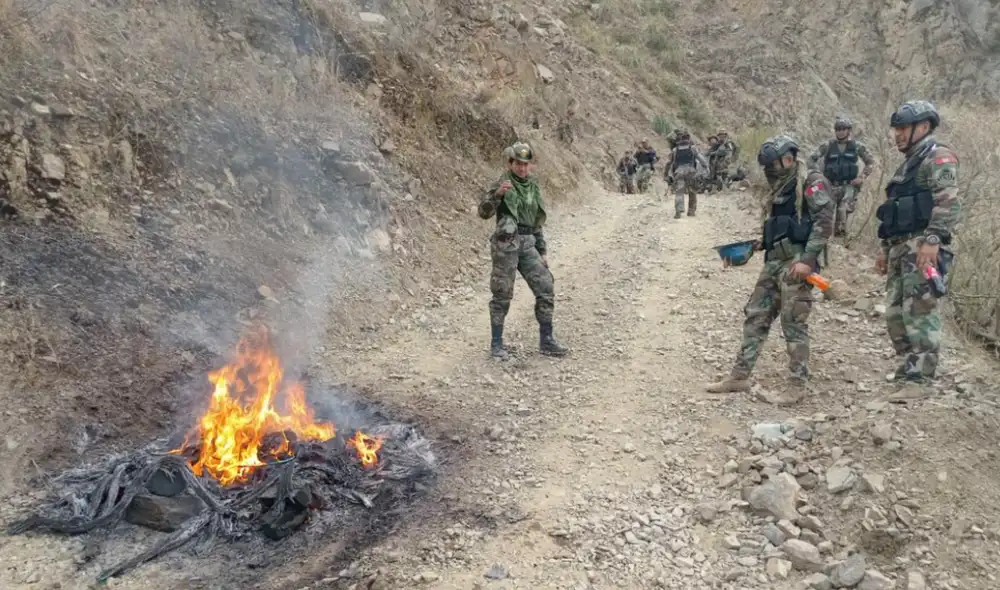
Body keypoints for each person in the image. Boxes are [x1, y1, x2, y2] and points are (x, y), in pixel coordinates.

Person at [706, 135, 835, 403]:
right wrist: (754, 247)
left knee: (793, 323)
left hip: (797, 264)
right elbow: (779, 225)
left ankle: (796, 386)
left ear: (788, 158)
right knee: (756, 316)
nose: (768, 171)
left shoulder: (809, 182)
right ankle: (739, 376)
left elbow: (824, 220)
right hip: (774, 262)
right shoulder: (778, 189)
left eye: (772, 165)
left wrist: (808, 259)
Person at [875, 100, 960, 390]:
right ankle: (907, 368)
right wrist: (886, 250)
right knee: (896, 312)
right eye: (895, 128)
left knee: (920, 311)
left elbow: (947, 201)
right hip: (901, 248)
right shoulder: (908, 165)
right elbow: (894, 212)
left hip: (922, 246)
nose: (897, 134)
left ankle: (920, 378)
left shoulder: (938, 157)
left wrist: (933, 239)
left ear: (923, 127)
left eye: (903, 128)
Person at [478, 142, 569, 359]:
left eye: (526, 165)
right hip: (506, 244)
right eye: (518, 164)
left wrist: (542, 250)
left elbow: (536, 221)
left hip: (528, 242)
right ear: (511, 163)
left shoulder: (533, 185)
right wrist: (497, 195)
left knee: (545, 285)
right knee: (502, 292)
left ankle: (546, 340)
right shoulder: (503, 183)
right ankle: (497, 344)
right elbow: (483, 212)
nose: (522, 169)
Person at [807, 117, 876, 236]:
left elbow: (871, 162)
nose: (840, 132)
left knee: (842, 210)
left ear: (849, 130)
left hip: (849, 186)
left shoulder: (857, 146)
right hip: (829, 184)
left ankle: (840, 241)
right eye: (837, 129)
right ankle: (818, 236)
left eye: (843, 129)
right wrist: (818, 176)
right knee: (811, 194)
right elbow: (811, 160)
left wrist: (862, 177)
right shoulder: (827, 146)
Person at [662, 130, 708, 218]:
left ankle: (678, 210)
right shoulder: (693, 148)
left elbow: (669, 163)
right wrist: (706, 167)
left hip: (679, 171)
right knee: (692, 192)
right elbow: (701, 159)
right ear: (689, 139)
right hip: (691, 171)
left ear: (680, 140)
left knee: (679, 192)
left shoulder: (675, 150)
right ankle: (691, 211)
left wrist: (666, 174)